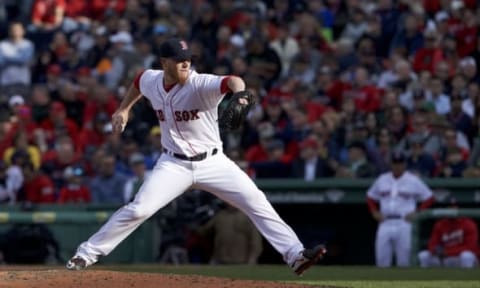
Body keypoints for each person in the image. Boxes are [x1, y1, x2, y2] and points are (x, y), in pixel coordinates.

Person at [66, 37, 326, 275]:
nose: (185, 64)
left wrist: (241, 98)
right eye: (179, 60)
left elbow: (233, 81)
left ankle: (296, 255)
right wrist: (124, 109)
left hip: (213, 162)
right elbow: (137, 82)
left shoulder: (200, 83)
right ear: (164, 63)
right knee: (139, 209)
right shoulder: (151, 79)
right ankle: (86, 254)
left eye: (188, 59)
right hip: (173, 164)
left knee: (255, 200)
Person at [366, 151, 434, 267]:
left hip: (404, 222)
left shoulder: (413, 180)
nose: (397, 166)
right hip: (385, 222)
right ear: (391, 164)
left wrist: (417, 212)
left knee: (404, 262)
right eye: (395, 163)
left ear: (404, 164)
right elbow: (370, 197)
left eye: (400, 163)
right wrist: (374, 212)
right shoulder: (382, 179)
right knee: (381, 260)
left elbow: (429, 197)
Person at [418, 197, 479, 268]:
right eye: (449, 207)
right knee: (423, 255)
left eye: (453, 207)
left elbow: (470, 247)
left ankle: (468, 278)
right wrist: (435, 250)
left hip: (459, 257)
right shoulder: (440, 224)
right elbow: (432, 244)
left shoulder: (469, 224)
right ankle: (425, 278)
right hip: (444, 258)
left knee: (466, 256)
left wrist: (448, 252)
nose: (451, 210)